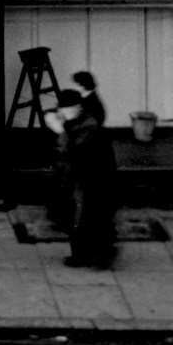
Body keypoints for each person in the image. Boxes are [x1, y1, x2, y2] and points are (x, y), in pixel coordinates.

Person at [54, 87, 118, 269]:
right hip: (82, 179)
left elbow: (75, 151)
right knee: (80, 218)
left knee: (83, 218)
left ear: (75, 108)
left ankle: (85, 256)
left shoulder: (88, 127)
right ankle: (88, 254)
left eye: (64, 109)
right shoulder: (82, 123)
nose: (61, 113)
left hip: (90, 181)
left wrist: (61, 129)